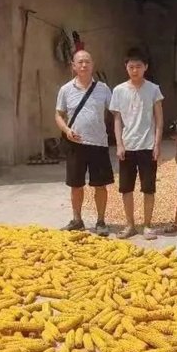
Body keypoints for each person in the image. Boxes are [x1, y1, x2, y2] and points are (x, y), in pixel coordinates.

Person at [55, 50, 113, 236]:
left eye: (87, 61)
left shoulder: (103, 89)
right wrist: (67, 131)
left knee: (100, 185)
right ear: (73, 66)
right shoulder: (66, 90)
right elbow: (58, 115)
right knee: (76, 184)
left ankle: (101, 221)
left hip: (98, 144)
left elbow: (116, 112)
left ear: (92, 64)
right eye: (79, 62)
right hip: (75, 144)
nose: (84, 65)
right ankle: (77, 220)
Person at [110, 47, 164, 240]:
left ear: (145, 67)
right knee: (126, 188)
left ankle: (147, 225)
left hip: (147, 146)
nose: (135, 70)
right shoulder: (119, 90)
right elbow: (117, 120)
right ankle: (130, 225)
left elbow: (159, 119)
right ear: (126, 67)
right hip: (128, 146)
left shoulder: (153, 89)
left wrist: (157, 144)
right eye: (131, 67)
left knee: (148, 188)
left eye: (138, 66)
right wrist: (119, 144)